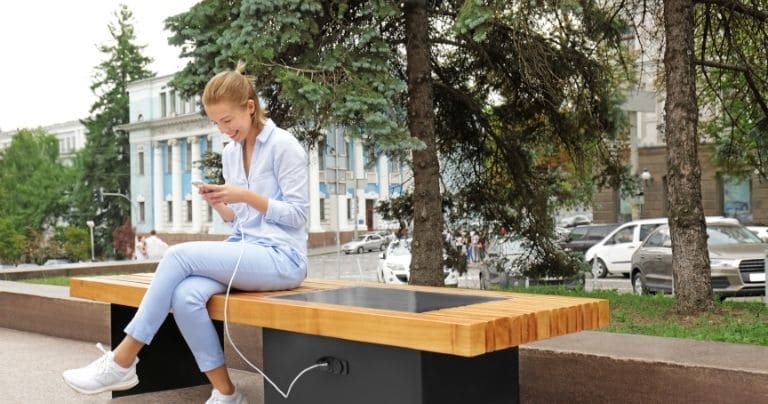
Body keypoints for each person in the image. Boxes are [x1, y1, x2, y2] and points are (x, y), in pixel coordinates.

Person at [62, 63, 309, 404]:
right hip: (246, 251)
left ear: (250, 107)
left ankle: (124, 358)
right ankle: (227, 394)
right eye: (216, 123)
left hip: (283, 257)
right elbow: (240, 220)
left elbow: (297, 216)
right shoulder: (231, 152)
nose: (224, 130)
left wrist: (244, 195)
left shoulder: (285, 146)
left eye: (228, 120)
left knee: (178, 254)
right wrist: (220, 202)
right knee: (186, 297)